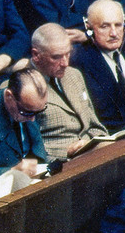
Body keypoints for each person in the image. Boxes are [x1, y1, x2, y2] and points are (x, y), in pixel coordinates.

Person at [72, 0, 125, 132]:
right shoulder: (80, 60)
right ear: (89, 27)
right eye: (104, 26)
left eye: (118, 25)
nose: (114, 33)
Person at [24, 24, 107, 159]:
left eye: (68, 54)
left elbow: (94, 124)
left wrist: (102, 141)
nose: (65, 63)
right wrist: (66, 153)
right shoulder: (21, 88)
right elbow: (26, 149)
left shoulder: (74, 75)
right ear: (35, 55)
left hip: (94, 151)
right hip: (60, 164)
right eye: (56, 57)